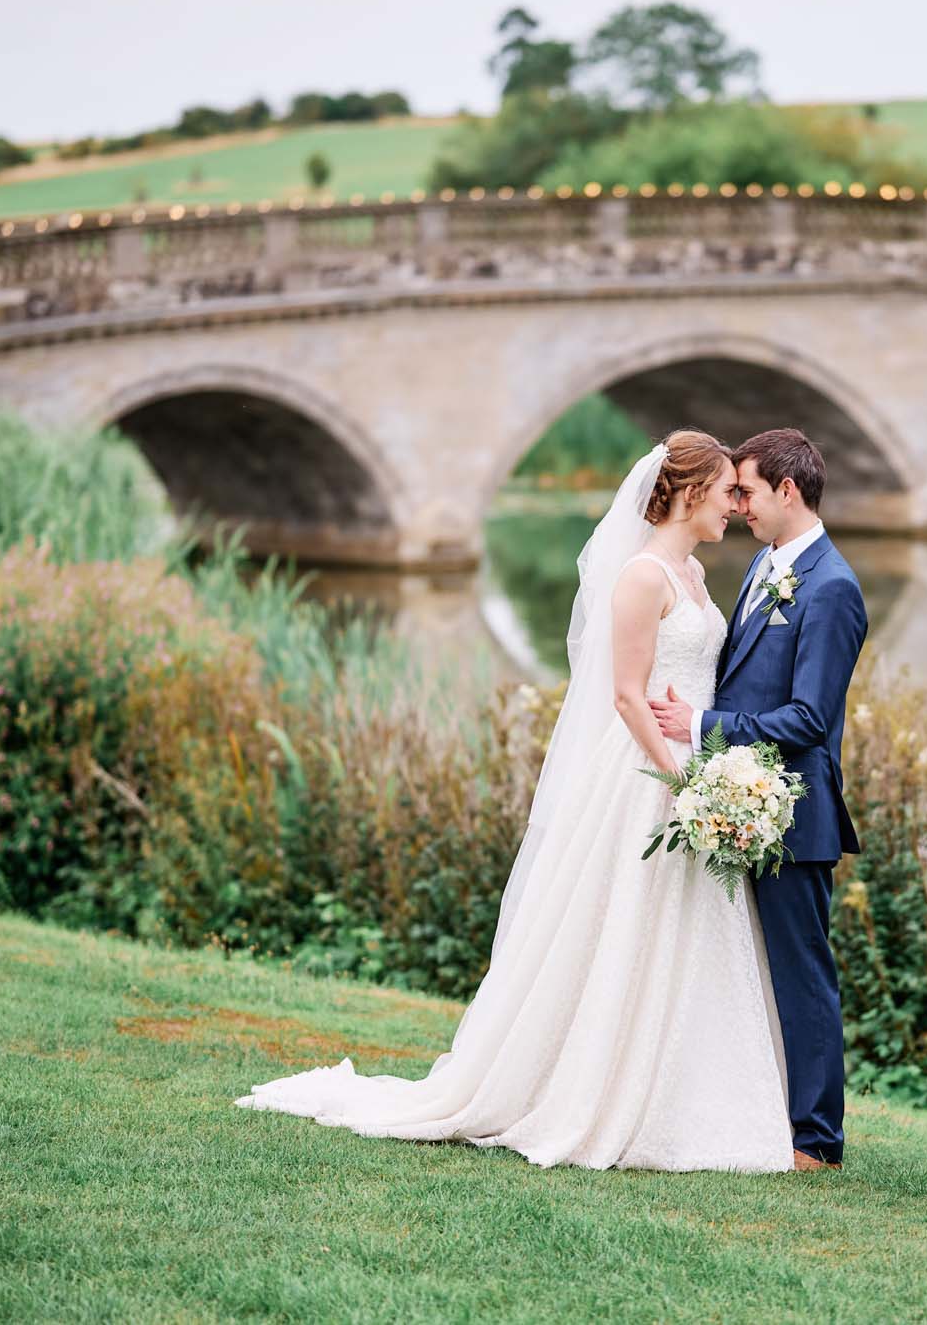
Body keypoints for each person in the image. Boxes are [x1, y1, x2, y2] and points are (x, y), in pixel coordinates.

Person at [236, 431, 797, 1173]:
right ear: (692, 491)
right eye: (728, 490)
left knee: (691, 932)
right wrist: (684, 783)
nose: (736, 504)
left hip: (691, 762)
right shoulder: (641, 576)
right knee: (625, 928)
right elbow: (627, 697)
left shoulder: (692, 574)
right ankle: (593, 1089)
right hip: (648, 776)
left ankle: (691, 1095)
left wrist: (711, 766)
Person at [649, 427, 868, 1171]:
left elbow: (810, 718)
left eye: (745, 490)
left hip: (794, 814)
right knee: (741, 971)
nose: (735, 503)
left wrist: (705, 726)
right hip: (740, 805)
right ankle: (749, 1112)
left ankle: (817, 1141)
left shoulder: (833, 587)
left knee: (803, 975)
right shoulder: (761, 568)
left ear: (788, 490)